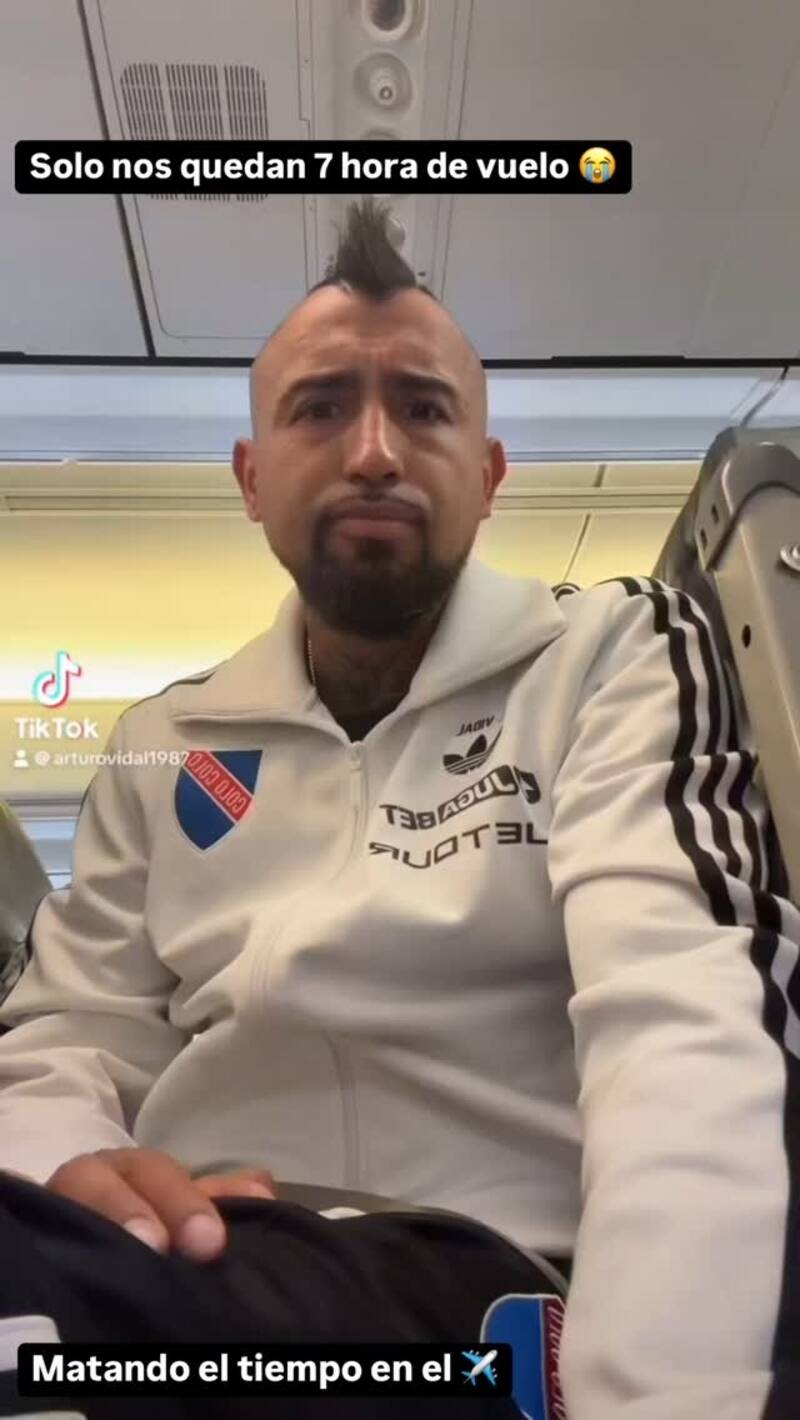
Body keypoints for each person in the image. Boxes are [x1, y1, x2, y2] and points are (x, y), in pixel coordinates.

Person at [0, 196, 798, 1420]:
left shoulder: (610, 652)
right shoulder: (164, 742)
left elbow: (680, 1010)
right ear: (252, 478)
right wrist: (70, 1170)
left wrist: (655, 1393)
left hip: (492, 1292)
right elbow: (71, 1031)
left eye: (422, 409)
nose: (372, 451)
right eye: (319, 408)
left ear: (485, 477)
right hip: (197, 1266)